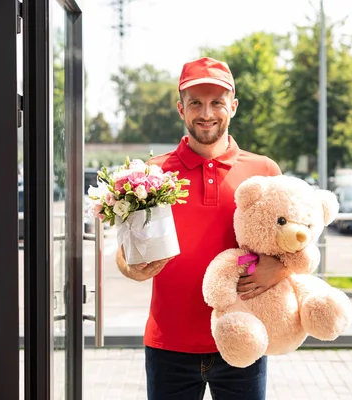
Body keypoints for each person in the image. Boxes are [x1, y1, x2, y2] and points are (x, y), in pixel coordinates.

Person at [116, 57, 288, 400]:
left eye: (216, 103)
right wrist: (132, 269)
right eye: (196, 102)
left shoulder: (265, 171)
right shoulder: (151, 174)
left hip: (242, 338)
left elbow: (295, 244)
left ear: (233, 107)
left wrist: (280, 269)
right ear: (181, 109)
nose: (206, 113)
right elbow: (124, 254)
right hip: (169, 344)